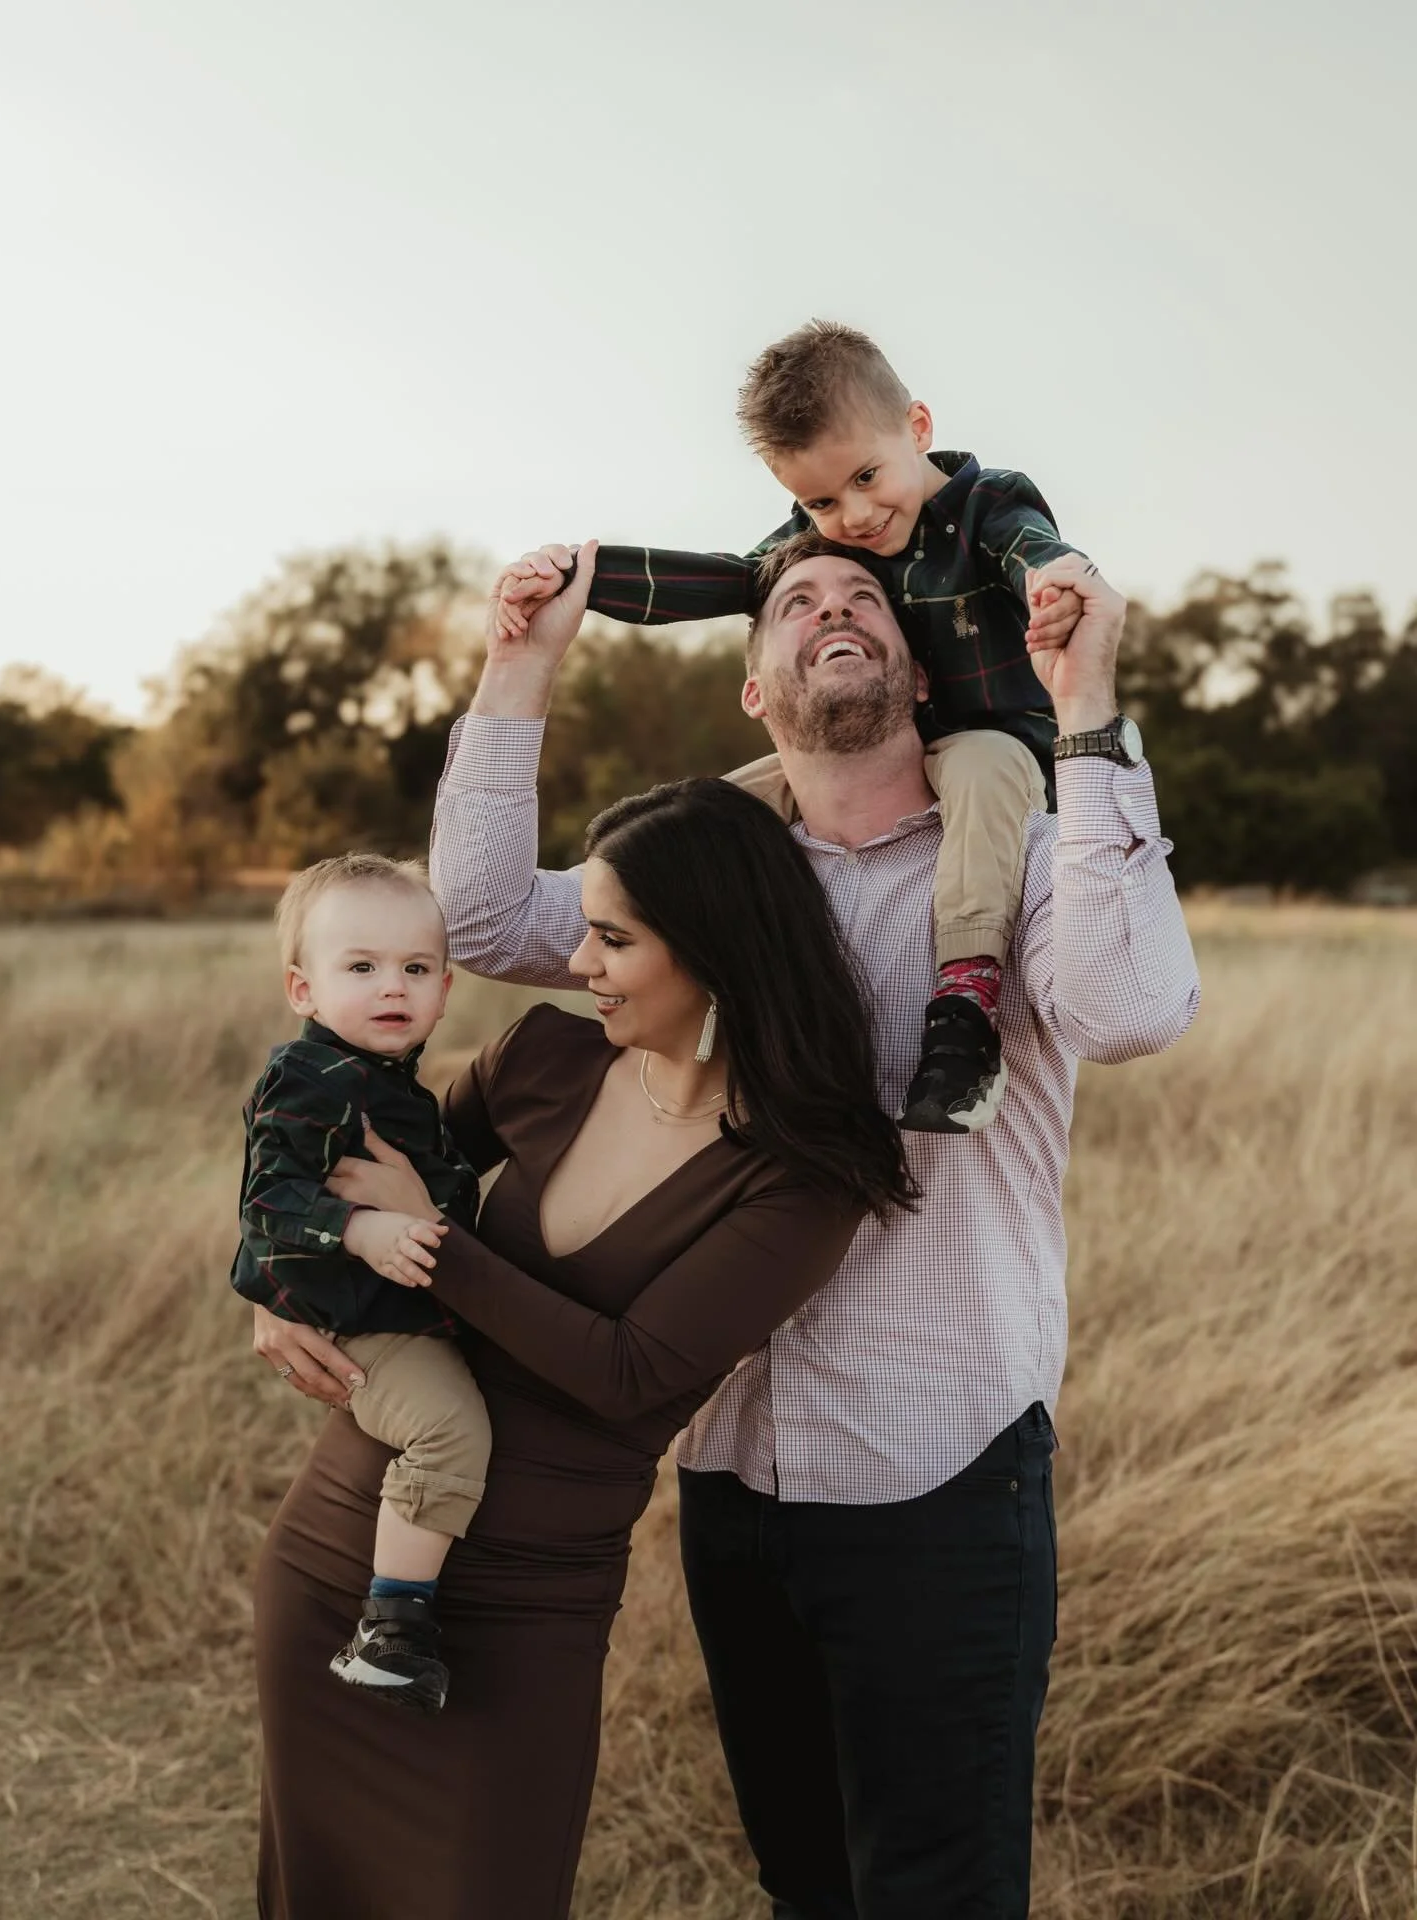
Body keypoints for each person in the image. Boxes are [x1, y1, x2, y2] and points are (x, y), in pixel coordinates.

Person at [428, 533, 1201, 1918]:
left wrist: (1085, 703)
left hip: (941, 1472)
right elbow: (480, 916)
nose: (836, 609)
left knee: (935, 1896)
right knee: (806, 1887)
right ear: (753, 689)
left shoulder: (1025, 861)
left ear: (914, 673)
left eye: (864, 600)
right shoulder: (699, 885)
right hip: (733, 1470)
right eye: (796, 604)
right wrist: (516, 663)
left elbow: (1131, 1009)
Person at [248, 771, 915, 1918]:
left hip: (527, 1606)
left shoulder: (805, 1178)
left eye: (612, 938)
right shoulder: (545, 1059)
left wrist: (436, 1246)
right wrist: (276, 1286)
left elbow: (632, 1374)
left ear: (714, 947)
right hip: (344, 1549)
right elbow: (325, 1164)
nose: (581, 964)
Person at [496, 319, 1089, 1135]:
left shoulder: (985, 502)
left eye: (867, 476)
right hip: (863, 758)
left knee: (983, 767)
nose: (852, 514)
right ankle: (643, 952)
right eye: (818, 501)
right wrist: (582, 577)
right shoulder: (817, 542)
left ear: (917, 429)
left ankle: (965, 1002)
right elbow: (732, 580)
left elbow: (1033, 548)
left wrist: (1055, 583)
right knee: (702, 817)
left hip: (997, 748)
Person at [232, 852, 492, 1716]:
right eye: (363, 967)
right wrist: (361, 1227)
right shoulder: (307, 1078)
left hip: (389, 1310)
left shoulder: (388, 1080)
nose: (394, 986)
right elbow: (268, 1199)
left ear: (447, 989)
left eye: (416, 968)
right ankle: (393, 1626)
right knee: (449, 1431)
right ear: (303, 991)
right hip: (358, 1323)